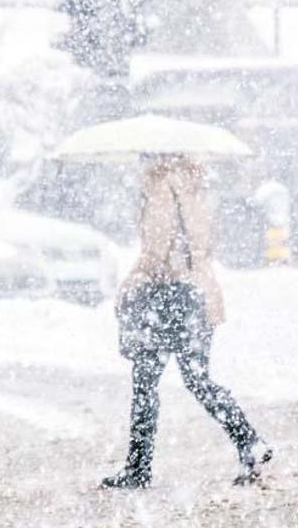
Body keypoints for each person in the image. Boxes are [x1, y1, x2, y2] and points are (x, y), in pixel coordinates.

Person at [102, 155, 271, 489]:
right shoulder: (196, 187)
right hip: (200, 292)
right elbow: (202, 245)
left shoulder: (159, 186)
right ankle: (249, 441)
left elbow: (157, 252)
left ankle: (138, 468)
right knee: (198, 378)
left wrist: (131, 282)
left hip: (166, 295)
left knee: (145, 383)